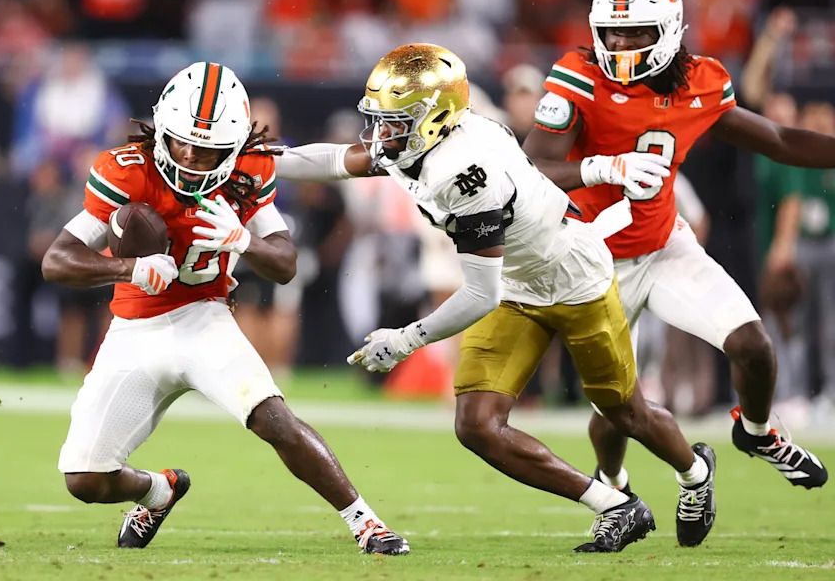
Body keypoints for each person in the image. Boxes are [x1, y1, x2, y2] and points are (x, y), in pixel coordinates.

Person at [275, 43, 716, 552]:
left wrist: (404, 340)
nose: (381, 134)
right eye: (381, 120)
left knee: (623, 411)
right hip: (516, 281)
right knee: (477, 424)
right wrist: (260, 161)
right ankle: (615, 505)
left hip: (570, 277)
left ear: (434, 118)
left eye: (394, 122)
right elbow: (336, 159)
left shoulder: (462, 173)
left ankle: (694, 471)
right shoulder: (423, 141)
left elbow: (481, 294)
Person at [40, 62, 409, 555]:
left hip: (203, 319)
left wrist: (244, 242)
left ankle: (366, 523)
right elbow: (56, 260)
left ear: (232, 147)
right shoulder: (127, 169)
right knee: (85, 479)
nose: (191, 157)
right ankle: (160, 490)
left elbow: (285, 263)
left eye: (207, 147)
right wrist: (127, 269)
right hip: (133, 330)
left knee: (272, 417)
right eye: (181, 142)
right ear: (162, 130)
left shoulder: (245, 169)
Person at [520, 0, 829, 491]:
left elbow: (776, 138)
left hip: (663, 246)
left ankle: (756, 431)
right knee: (616, 409)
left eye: (636, 31)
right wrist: (603, 167)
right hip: (594, 260)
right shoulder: (579, 75)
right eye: (612, 31)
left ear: (668, 29)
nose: (620, 43)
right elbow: (532, 167)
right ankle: (614, 487)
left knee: (754, 346)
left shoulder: (701, 82)